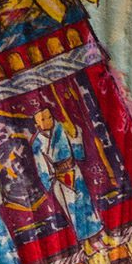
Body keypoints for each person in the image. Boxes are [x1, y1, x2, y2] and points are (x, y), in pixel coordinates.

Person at [30, 107, 109, 256]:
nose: (48, 121)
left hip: (74, 171)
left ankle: (100, 235)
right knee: (73, 211)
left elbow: (76, 149)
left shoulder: (61, 127)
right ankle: (87, 243)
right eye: (43, 119)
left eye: (49, 117)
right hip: (59, 179)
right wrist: (50, 181)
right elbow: (41, 166)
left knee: (87, 204)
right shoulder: (37, 142)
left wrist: (76, 136)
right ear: (37, 125)